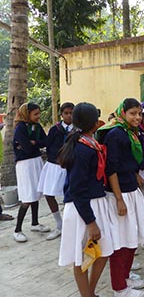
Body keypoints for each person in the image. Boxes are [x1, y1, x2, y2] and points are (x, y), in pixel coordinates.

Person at [57, 102, 113, 297]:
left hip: (95, 204)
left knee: (103, 252)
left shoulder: (89, 144)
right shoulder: (82, 149)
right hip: (83, 208)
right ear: (95, 123)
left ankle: (90, 292)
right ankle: (86, 294)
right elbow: (77, 190)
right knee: (80, 258)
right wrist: (91, 222)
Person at [98, 98, 144, 297]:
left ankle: (126, 278)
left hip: (131, 191)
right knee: (120, 241)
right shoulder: (115, 134)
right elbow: (111, 169)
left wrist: (135, 174)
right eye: (133, 113)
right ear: (123, 113)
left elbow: (127, 162)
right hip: (119, 195)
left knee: (131, 237)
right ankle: (119, 288)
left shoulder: (131, 132)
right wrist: (119, 199)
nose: (137, 117)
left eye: (139, 113)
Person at [13, 103, 50, 243]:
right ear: (26, 114)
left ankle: (35, 223)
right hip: (25, 164)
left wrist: (35, 142)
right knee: (27, 197)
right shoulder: (20, 129)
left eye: (38, 113)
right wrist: (34, 143)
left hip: (36, 161)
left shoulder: (36, 126)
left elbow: (45, 141)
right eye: (35, 114)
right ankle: (17, 230)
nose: (38, 116)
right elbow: (27, 148)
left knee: (36, 193)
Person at [37, 102, 74, 240]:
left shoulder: (77, 130)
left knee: (69, 195)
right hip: (54, 165)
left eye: (71, 113)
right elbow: (49, 146)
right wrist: (56, 158)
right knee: (49, 193)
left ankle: (70, 224)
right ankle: (59, 224)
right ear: (61, 114)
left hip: (70, 166)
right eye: (66, 113)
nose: (69, 116)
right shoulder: (55, 130)